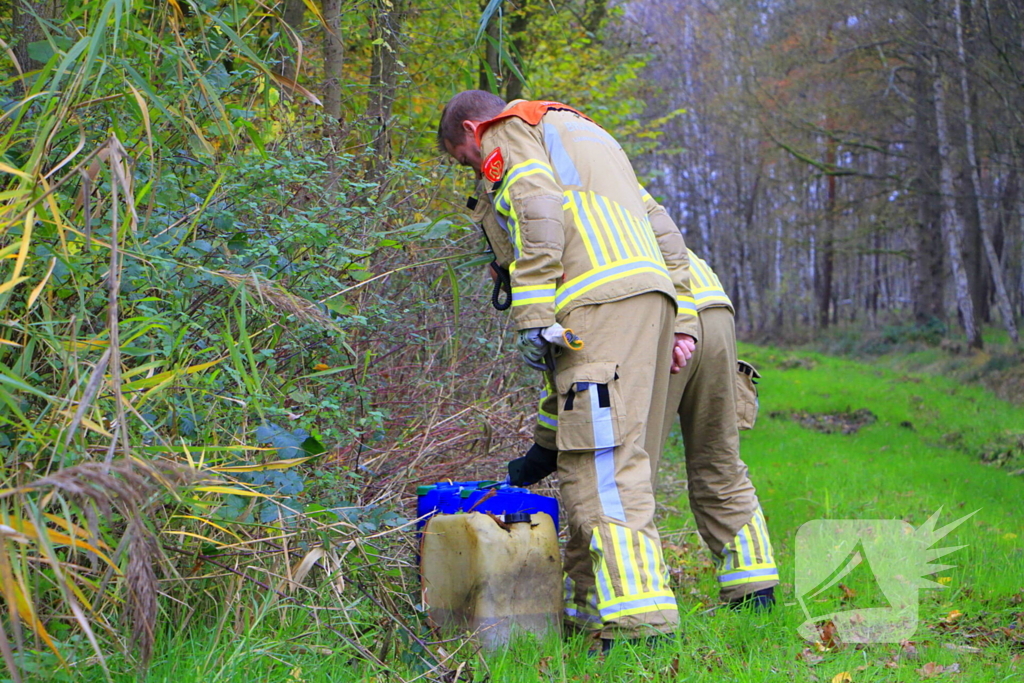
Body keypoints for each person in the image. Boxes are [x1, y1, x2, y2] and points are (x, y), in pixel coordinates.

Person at [439, 91, 699, 644]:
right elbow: (663, 226)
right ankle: (589, 617)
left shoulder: (504, 130)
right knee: (618, 451)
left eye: (463, 157)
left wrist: (532, 309)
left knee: (599, 465)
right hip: (646, 299)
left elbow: (534, 205)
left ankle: (639, 625)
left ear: (470, 127)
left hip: (595, 301)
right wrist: (684, 316)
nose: (472, 168)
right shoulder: (589, 136)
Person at [512, 248, 780, 610]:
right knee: (720, 462)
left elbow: (573, 384)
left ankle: (600, 607)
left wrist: (543, 448)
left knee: (618, 472)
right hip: (713, 307)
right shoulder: (621, 210)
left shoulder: (554, 261)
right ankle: (755, 590)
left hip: (654, 311)